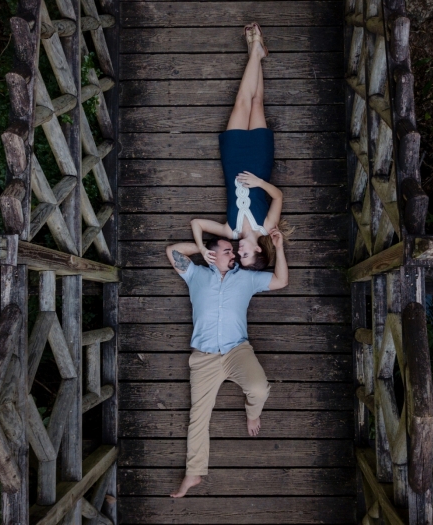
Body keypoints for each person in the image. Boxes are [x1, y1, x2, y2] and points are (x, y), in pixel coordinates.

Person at [165, 229, 289, 498]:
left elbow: (281, 280)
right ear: (213, 255)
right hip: (204, 358)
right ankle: (193, 473)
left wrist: (279, 249)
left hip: (237, 350)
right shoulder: (195, 274)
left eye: (232, 251)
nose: (233, 254)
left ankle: (252, 413)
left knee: (258, 389)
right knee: (198, 416)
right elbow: (172, 252)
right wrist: (202, 250)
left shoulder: (246, 278)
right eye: (227, 251)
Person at [190, 22, 293, 271]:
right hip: (259, 160)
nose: (240, 252)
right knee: (256, 103)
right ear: (258, 250)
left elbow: (196, 223)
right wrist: (259, 183)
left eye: (239, 257)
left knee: (241, 102)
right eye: (245, 256)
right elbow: (278, 196)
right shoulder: (267, 227)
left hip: (233, 159)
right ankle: (256, 51)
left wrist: (202, 248)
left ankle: (256, 51)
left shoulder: (230, 231)